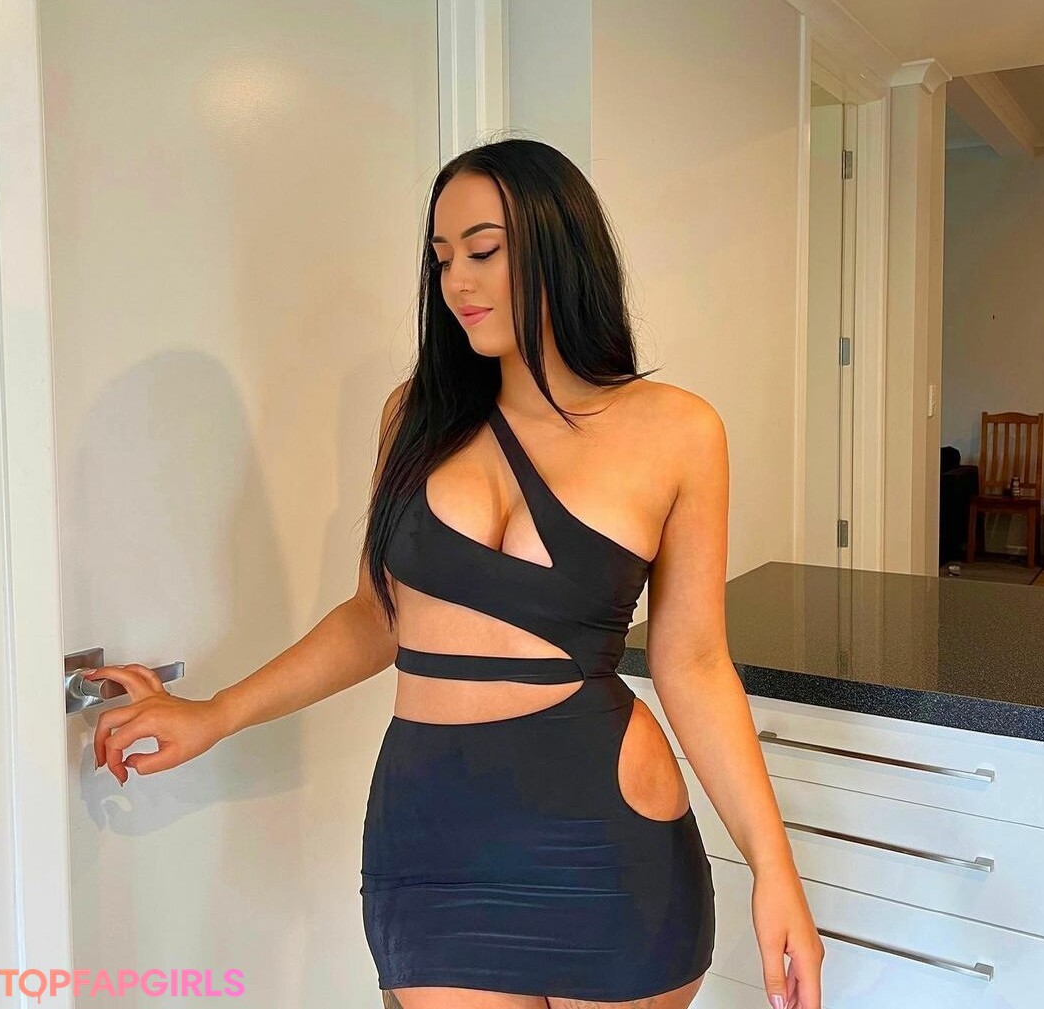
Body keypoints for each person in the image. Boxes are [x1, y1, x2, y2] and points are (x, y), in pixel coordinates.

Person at [87, 138, 823, 1009]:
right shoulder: (415, 415)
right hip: (432, 840)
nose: (457, 283)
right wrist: (216, 713)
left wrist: (774, 868)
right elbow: (376, 616)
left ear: (559, 246)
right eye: (442, 259)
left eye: (483, 251)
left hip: (609, 841)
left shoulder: (677, 430)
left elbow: (692, 662)